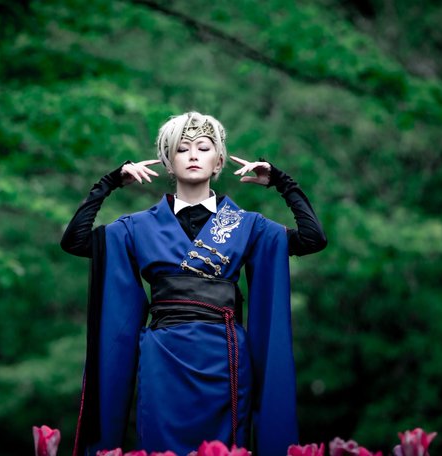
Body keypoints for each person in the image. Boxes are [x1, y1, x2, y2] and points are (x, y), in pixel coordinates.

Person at [61, 112, 327, 456]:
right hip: (163, 358)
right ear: (168, 163)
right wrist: (109, 182)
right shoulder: (138, 226)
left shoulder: (246, 224)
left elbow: (313, 238)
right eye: (182, 149)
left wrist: (281, 182)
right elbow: (75, 240)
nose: (193, 155)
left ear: (219, 162)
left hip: (224, 357)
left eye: (203, 147)